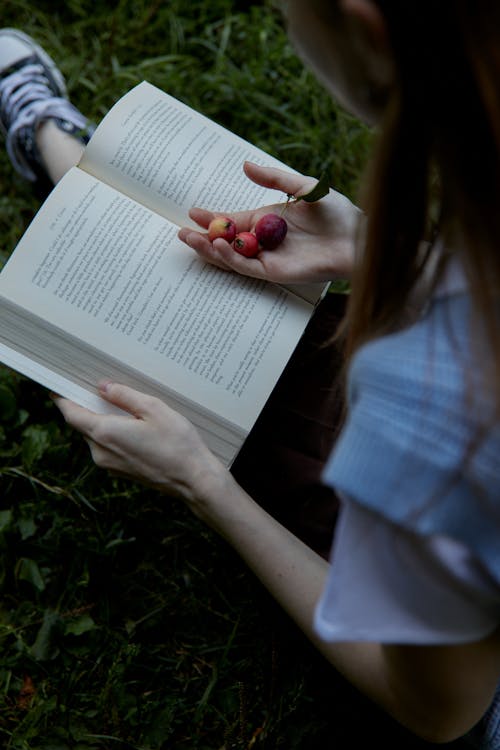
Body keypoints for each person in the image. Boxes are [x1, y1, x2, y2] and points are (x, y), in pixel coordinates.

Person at [1, 0, 500, 745]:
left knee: (233, 403)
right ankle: (58, 157)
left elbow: (443, 710)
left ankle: (53, 150)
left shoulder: (423, 418)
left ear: (367, 28)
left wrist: (201, 485)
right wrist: (377, 251)